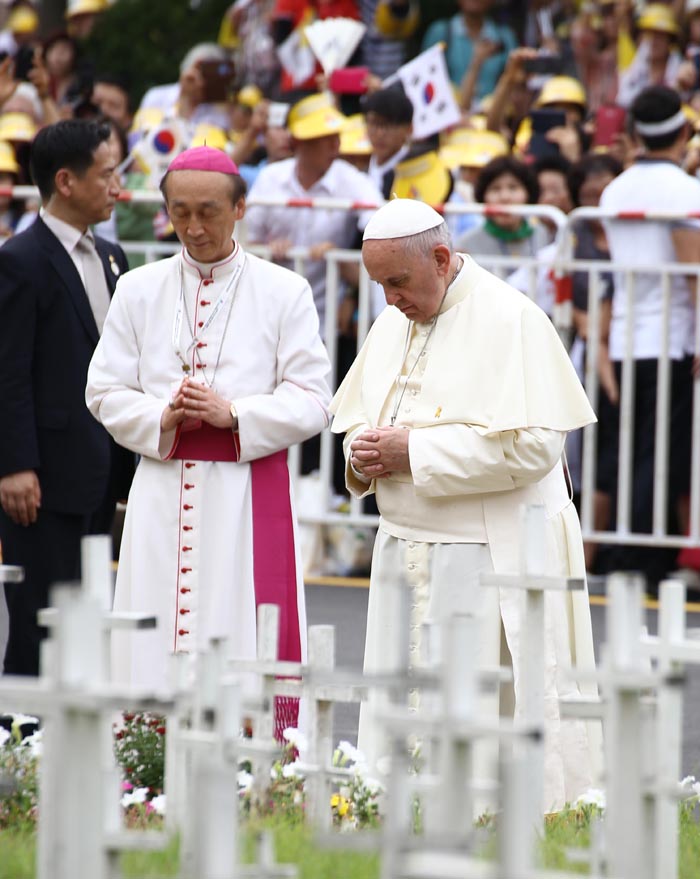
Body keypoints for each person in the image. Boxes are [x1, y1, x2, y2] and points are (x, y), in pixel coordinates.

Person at [330, 197, 600, 811]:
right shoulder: (394, 319)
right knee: (408, 707)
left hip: (488, 551)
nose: (389, 299)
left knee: (491, 717)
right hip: (406, 547)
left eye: (398, 281)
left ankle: (499, 823)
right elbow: (362, 419)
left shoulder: (512, 319)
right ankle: (398, 814)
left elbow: (535, 446)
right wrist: (362, 453)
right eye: (379, 285)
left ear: (444, 259)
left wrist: (414, 453)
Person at [85, 147, 331, 734]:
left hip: (246, 494)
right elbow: (103, 389)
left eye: (209, 212)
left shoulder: (284, 290)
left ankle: (249, 761)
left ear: (240, 208)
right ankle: (145, 758)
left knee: (236, 627)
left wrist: (235, 413)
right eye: (181, 213)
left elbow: (315, 398)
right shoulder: (139, 289)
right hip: (161, 488)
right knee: (151, 623)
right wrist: (160, 418)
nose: (194, 228)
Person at [0, 119, 131, 676]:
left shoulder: (113, 255)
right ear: (66, 181)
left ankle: (73, 747)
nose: (118, 188)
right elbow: (8, 372)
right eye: (106, 175)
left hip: (101, 469)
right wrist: (15, 466)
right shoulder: (19, 260)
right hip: (43, 476)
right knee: (38, 621)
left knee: (88, 614)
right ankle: (20, 747)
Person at [599, 84, 700, 589]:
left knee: (634, 447)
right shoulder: (684, 190)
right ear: (682, 131)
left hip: (625, 339)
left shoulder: (614, 188)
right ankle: (639, 559)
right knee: (660, 453)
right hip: (670, 337)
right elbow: (692, 270)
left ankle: (629, 551)